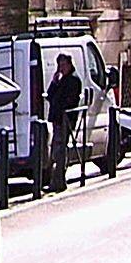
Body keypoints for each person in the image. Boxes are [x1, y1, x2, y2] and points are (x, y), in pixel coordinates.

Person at [44, 53, 81, 193]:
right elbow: (50, 96)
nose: (61, 68)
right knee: (56, 150)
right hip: (57, 119)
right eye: (59, 65)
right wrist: (54, 81)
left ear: (70, 64)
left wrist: (62, 111)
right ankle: (58, 180)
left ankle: (58, 182)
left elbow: (69, 101)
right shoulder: (62, 80)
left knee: (60, 150)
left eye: (63, 65)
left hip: (65, 120)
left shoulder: (73, 80)